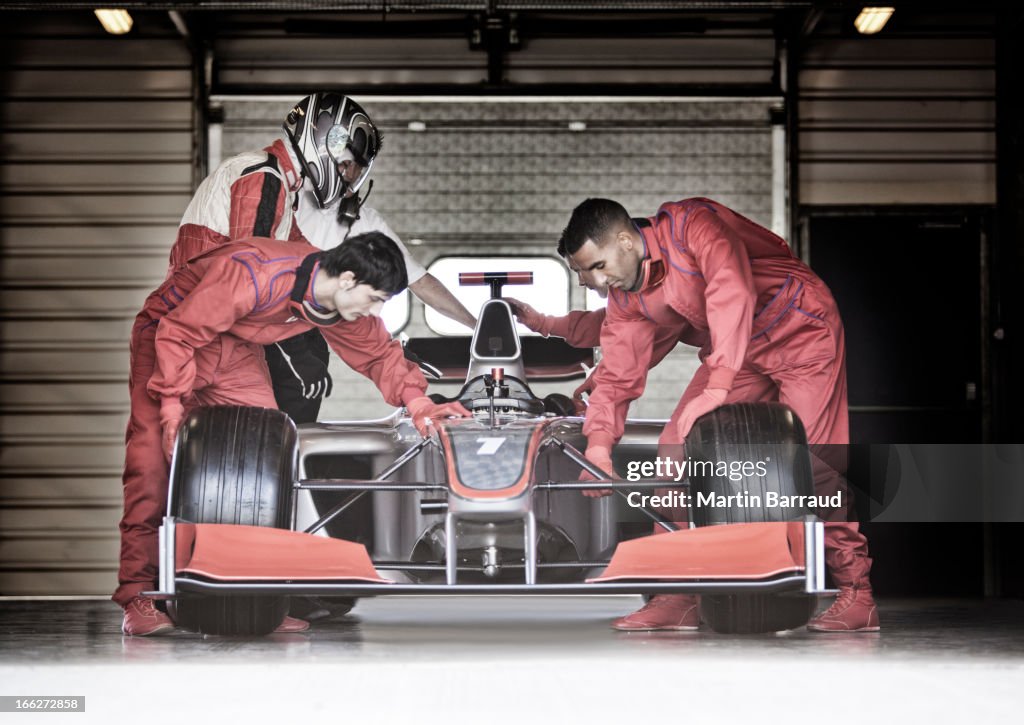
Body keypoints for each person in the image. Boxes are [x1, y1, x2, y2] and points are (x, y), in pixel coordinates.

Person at [539, 197, 877, 633]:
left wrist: (718, 385)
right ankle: (677, 595)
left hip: (801, 329)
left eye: (600, 266)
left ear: (625, 240)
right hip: (736, 352)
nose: (599, 282)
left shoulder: (693, 225)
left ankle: (857, 592)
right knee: (673, 451)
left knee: (816, 463)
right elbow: (618, 378)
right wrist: (600, 447)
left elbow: (730, 288)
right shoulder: (629, 297)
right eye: (586, 274)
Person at [116, 232, 469, 636]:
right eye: (376, 298)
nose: (376, 309)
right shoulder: (255, 274)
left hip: (234, 349)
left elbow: (378, 353)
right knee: (151, 467)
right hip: (168, 335)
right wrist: (172, 406)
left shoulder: (335, 301)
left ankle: (256, 596)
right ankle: (139, 595)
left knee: (266, 464)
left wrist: (419, 403)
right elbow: (181, 331)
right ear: (348, 279)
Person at [169, 92, 474, 425]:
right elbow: (248, 281)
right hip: (214, 334)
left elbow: (402, 290)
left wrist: (412, 385)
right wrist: (295, 350)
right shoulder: (266, 181)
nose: (348, 179)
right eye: (345, 166)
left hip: (247, 331)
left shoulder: (309, 203)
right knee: (243, 441)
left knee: (270, 441)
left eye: (354, 171)